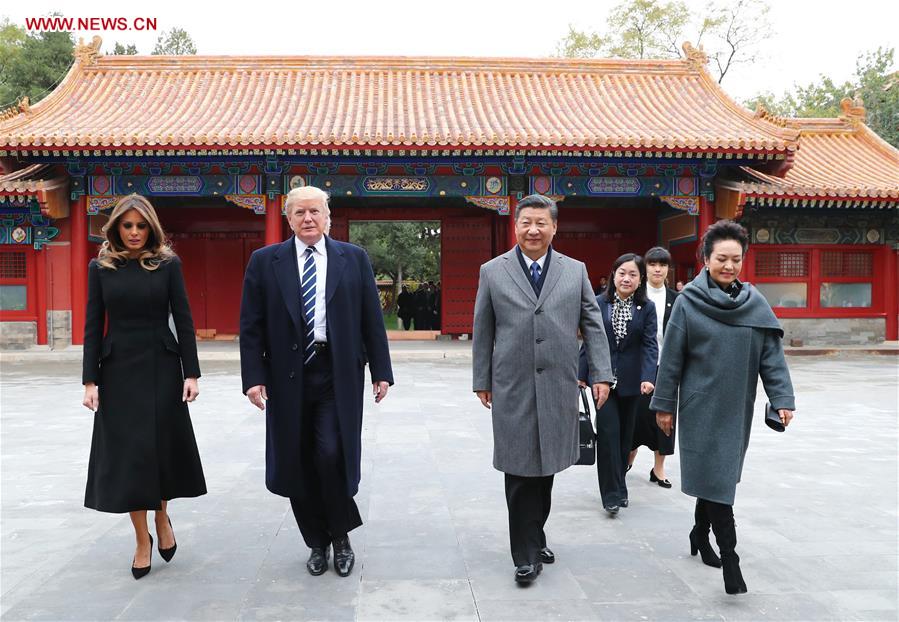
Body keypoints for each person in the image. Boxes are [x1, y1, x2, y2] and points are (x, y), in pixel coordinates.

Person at [239, 186, 393, 578]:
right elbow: (251, 326)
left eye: (315, 212)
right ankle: (316, 542)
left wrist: (381, 371)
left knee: (330, 454)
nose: (308, 219)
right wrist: (253, 377)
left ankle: (340, 535)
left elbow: (370, 319)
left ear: (328, 216)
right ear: (288, 218)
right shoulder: (265, 261)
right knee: (297, 459)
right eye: (299, 213)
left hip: (335, 371)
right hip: (286, 376)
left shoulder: (352, 259)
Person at [472, 194, 612, 585]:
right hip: (511, 384)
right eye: (526, 223)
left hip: (557, 382)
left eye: (541, 223)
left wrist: (601, 373)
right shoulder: (493, 271)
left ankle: (535, 532)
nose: (533, 230)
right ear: (515, 226)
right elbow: (483, 329)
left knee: (547, 465)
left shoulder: (575, 270)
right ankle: (526, 553)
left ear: (554, 227)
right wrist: (481, 379)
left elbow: (593, 324)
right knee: (519, 467)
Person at [651, 220, 795, 595]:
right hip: (699, 407)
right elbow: (671, 360)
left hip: (737, 409)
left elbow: (772, 359)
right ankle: (731, 562)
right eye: (721, 259)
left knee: (718, 479)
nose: (728, 266)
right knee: (717, 480)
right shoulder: (688, 303)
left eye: (735, 259)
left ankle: (699, 534)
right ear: (705, 259)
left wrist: (781, 399)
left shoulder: (755, 303)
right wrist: (664, 405)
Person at [81, 193, 206, 580]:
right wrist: (90, 380)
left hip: (162, 367)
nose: (134, 232)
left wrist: (192, 372)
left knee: (160, 450)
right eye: (127, 225)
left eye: (140, 225)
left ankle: (163, 517)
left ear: (150, 227)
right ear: (117, 228)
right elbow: (92, 325)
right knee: (130, 457)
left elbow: (183, 319)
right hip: (118, 370)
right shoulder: (100, 267)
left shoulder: (168, 264)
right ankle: (141, 538)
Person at [578, 254, 657, 515]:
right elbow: (589, 339)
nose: (626, 278)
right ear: (613, 275)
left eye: (633, 274)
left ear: (640, 279)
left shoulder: (646, 308)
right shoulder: (599, 303)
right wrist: (581, 373)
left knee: (625, 438)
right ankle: (610, 495)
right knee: (609, 435)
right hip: (602, 380)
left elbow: (649, 344)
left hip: (633, 381)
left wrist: (649, 376)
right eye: (622, 272)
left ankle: (620, 486)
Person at [628, 246, 678, 487]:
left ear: (668, 269)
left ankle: (658, 469)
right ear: (645, 268)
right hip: (640, 366)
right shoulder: (636, 296)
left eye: (663, 264)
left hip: (666, 367)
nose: (658, 269)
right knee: (636, 415)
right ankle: (629, 457)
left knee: (665, 419)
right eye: (652, 264)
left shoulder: (676, 300)